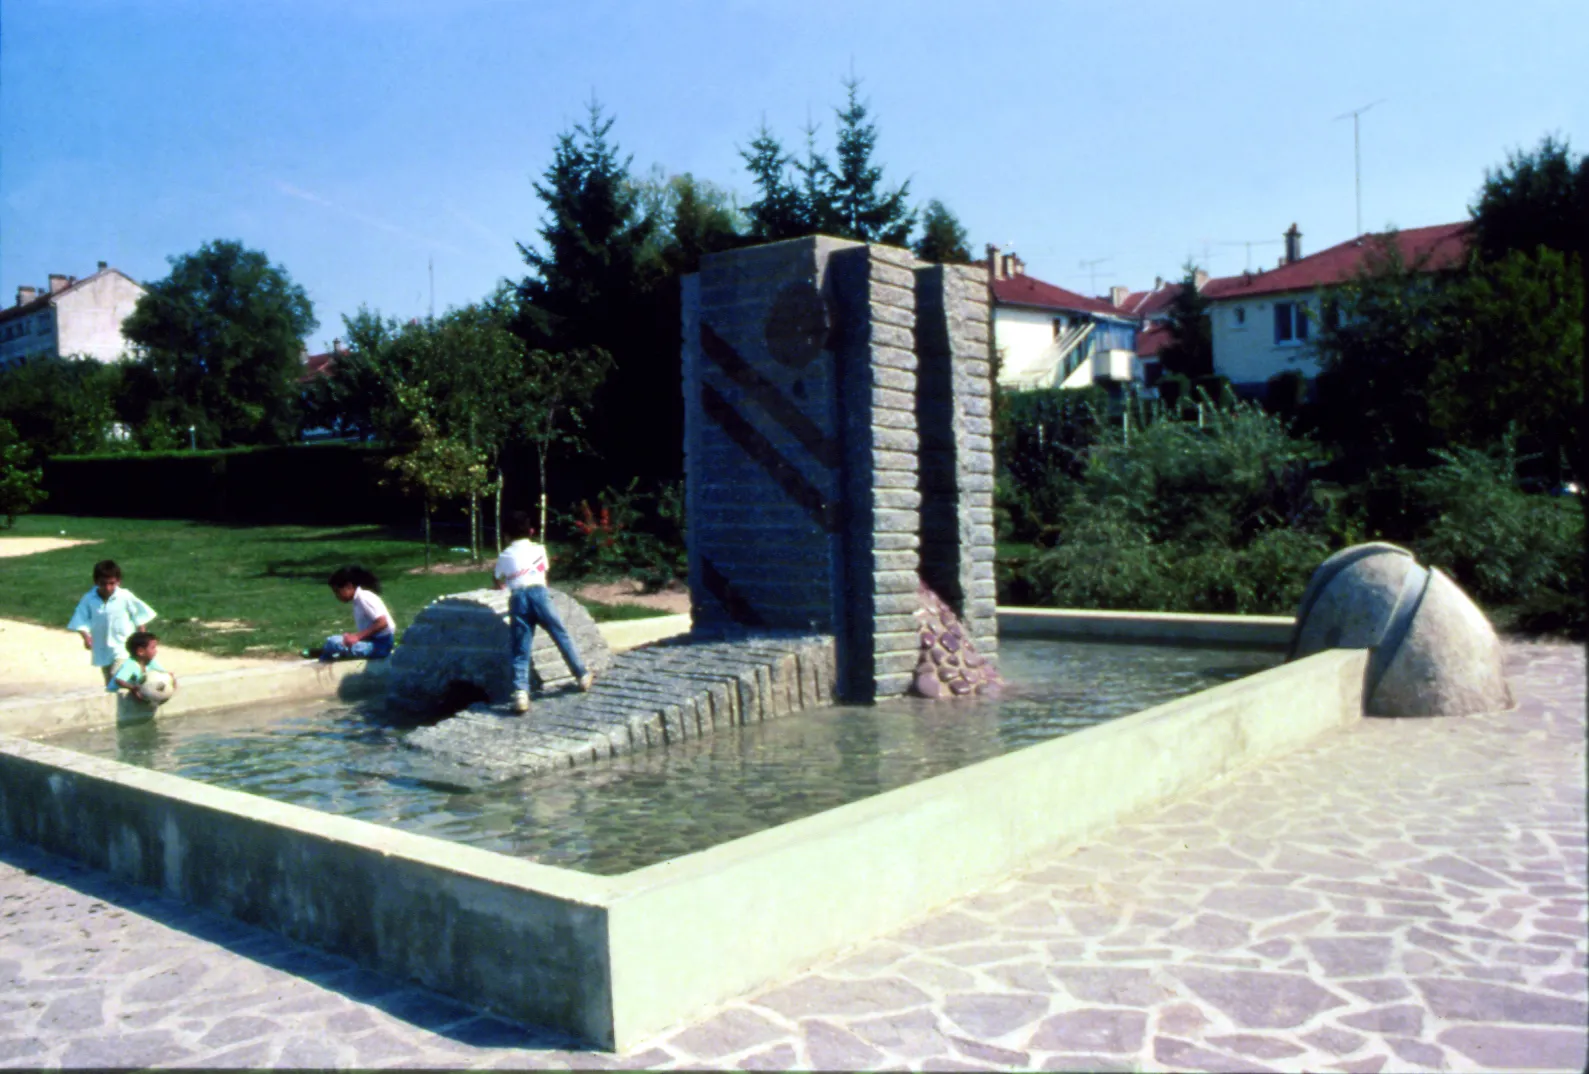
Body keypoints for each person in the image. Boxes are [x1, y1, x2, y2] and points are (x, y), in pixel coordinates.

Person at [494, 510, 593, 714]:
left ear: (506, 535)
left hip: (518, 597)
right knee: (560, 634)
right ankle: (581, 674)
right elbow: (542, 572)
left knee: (521, 646)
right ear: (530, 531)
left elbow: (498, 578)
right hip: (539, 594)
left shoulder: (504, 555)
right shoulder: (540, 549)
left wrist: (503, 585)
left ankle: (521, 692)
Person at [67, 559, 156, 686]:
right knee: (110, 683)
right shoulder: (89, 599)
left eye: (112, 583)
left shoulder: (124, 596)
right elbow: (81, 619)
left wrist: (143, 641)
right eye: (103, 584)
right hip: (103, 648)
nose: (108, 588)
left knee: (118, 676)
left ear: (118, 581)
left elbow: (139, 617)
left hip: (123, 646)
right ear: (96, 582)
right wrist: (86, 637)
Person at [319, 565, 396, 661]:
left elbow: (382, 622)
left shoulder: (364, 598)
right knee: (334, 642)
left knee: (332, 642)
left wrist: (356, 637)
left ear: (349, 586)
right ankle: (325, 655)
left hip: (380, 646)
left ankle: (324, 656)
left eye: (337, 592)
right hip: (373, 642)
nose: (337, 596)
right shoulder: (358, 600)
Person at [108, 630, 176, 702]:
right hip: (113, 696)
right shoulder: (131, 665)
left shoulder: (151, 662)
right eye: (153, 648)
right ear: (141, 651)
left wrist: (170, 679)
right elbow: (119, 680)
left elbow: (162, 673)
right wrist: (133, 688)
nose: (156, 651)